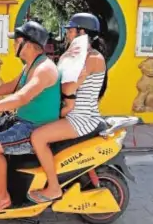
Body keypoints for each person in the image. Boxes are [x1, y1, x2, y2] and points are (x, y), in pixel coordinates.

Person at [0, 21, 61, 216]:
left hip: (34, 126)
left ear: (28, 44)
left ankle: (1, 196)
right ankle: (3, 172)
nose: (13, 44)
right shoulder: (30, 65)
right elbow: (12, 86)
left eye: (17, 41)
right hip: (22, 120)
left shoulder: (44, 69)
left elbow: (21, 97)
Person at [27, 13, 109, 203]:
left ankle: (54, 188)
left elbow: (69, 87)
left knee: (38, 137)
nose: (68, 35)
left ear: (82, 32)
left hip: (81, 119)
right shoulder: (76, 55)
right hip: (71, 112)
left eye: (71, 31)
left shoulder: (92, 58)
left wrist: (66, 94)